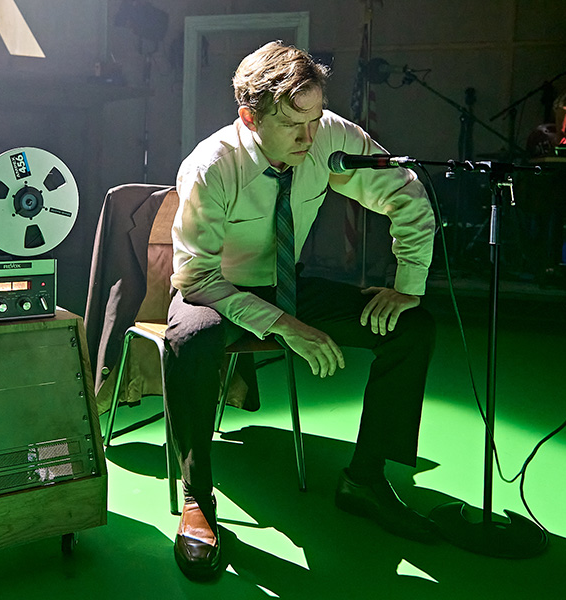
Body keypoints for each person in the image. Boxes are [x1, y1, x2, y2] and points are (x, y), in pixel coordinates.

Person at [164, 41, 438, 581]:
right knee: (189, 340)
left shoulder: (328, 135)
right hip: (218, 288)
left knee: (412, 327)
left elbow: (404, 192)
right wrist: (284, 326)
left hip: (287, 284)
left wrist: (407, 285)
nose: (310, 138)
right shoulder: (211, 166)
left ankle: (364, 478)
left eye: (314, 118)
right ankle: (198, 498)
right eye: (293, 125)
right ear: (249, 117)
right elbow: (194, 278)